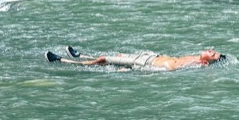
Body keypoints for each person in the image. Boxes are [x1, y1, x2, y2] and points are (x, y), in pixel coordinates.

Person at [45, 46, 227, 71]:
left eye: (212, 54)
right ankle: (82, 55)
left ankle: (63, 61)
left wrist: (141, 71)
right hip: (149, 56)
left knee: (103, 60)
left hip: (144, 63)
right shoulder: (195, 56)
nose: (210, 50)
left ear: (206, 62)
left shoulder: (197, 64)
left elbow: (168, 70)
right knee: (116, 56)